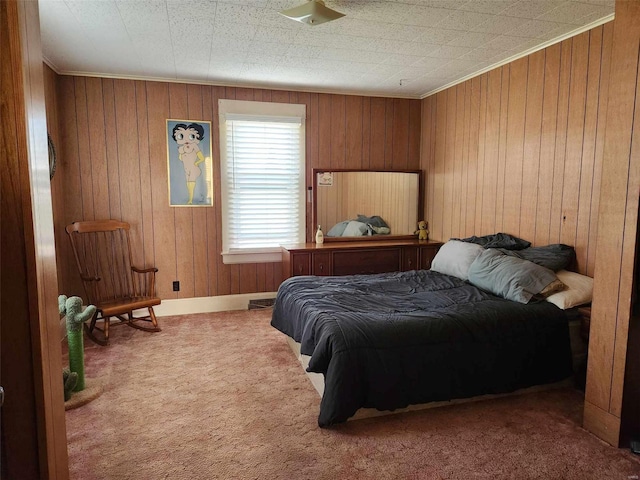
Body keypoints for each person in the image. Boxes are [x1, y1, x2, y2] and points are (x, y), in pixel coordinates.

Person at [172, 122, 205, 204]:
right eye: (181, 136)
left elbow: (202, 158)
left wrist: (197, 163)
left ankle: (190, 200)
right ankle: (190, 199)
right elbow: (181, 158)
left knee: (191, 185)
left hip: (194, 168)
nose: (186, 139)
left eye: (191, 136)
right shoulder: (181, 148)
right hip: (186, 169)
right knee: (188, 185)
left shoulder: (194, 146)